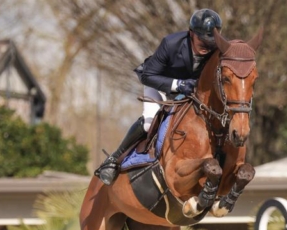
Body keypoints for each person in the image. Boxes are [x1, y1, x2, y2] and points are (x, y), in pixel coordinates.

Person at [95, 9, 222, 186]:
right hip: (160, 85)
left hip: (192, 93)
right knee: (149, 122)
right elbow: (148, 75)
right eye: (202, 40)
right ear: (191, 33)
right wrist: (178, 85)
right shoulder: (171, 43)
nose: (207, 47)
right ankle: (113, 160)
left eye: (211, 42)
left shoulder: (219, 48)